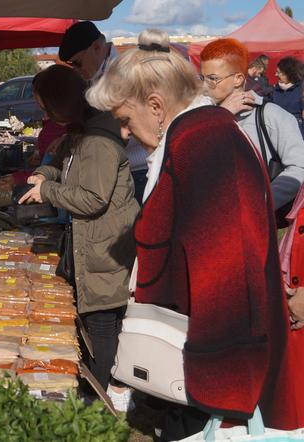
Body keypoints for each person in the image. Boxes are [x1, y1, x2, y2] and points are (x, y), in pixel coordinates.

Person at [87, 29, 303, 438]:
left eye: (125, 120)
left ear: (155, 105)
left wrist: (223, 392)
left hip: (213, 377)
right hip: (194, 365)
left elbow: (227, 273)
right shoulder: (193, 138)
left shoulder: (206, 144)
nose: (126, 134)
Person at [18, 65, 139, 400]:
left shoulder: (98, 140)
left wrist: (48, 192)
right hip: (99, 242)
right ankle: (109, 385)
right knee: (103, 322)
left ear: (63, 102)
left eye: (46, 107)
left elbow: (91, 199)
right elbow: (61, 160)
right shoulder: (82, 131)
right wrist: (44, 174)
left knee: (102, 323)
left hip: (105, 245)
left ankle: (100, 395)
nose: (44, 114)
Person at [200, 38, 304, 225]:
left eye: (213, 79)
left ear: (239, 79)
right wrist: (221, 117)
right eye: (203, 78)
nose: (205, 86)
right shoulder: (201, 116)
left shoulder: (271, 115)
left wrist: (260, 204)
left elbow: (299, 168)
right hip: (211, 223)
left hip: (257, 225)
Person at [59, 20, 148, 205]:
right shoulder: (98, 75)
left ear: (97, 47)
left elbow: (134, 130)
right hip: (121, 169)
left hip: (137, 173)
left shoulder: (124, 73)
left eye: (77, 62)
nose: (76, 69)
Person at [272, 56, 304, 138]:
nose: (275, 74)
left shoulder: (301, 89)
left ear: (288, 73)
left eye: (278, 72)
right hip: (278, 135)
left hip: (298, 136)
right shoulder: (275, 90)